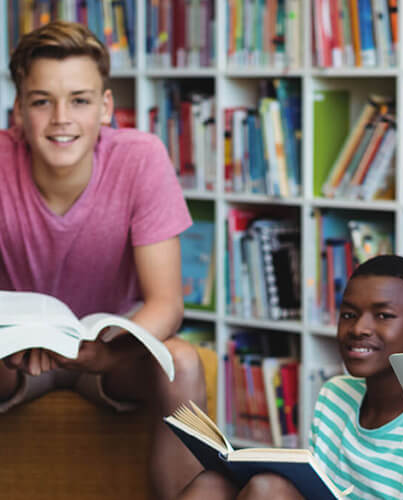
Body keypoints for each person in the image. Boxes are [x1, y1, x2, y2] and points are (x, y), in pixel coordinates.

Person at [0, 21, 206, 500]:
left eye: (79, 99)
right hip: (12, 356)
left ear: (106, 108)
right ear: (18, 111)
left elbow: (166, 303)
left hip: (110, 352)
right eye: (41, 101)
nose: (60, 119)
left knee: (183, 362)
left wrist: (109, 352)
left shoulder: (141, 157)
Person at [178, 254, 403, 500]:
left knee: (268, 489)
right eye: (349, 315)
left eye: (383, 316)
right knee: (212, 484)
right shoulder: (336, 394)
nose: (359, 328)